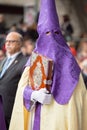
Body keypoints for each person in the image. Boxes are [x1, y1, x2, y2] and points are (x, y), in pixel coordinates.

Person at [9, 0, 87, 130]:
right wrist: (33, 95)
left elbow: (79, 99)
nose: (50, 39)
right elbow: (21, 90)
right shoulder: (33, 61)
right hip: (34, 119)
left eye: (55, 33)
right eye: (46, 34)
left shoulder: (71, 64)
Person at [0, 32, 28, 129]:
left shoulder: (25, 61)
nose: (7, 43)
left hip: (11, 110)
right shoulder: (3, 60)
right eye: (6, 41)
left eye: (11, 41)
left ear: (19, 44)